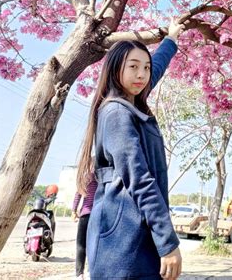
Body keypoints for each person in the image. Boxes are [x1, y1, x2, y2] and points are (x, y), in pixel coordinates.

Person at [76, 18, 185, 280]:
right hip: (123, 242)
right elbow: (139, 179)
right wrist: (168, 242)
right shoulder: (116, 113)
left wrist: (171, 39)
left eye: (145, 68)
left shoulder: (130, 103)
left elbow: (155, 68)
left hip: (134, 233)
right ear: (115, 70)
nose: (141, 74)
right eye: (133, 67)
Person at [72, 165, 97, 280]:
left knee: (81, 245)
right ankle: (92, 271)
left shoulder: (86, 177)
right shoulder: (102, 178)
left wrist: (74, 210)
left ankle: (79, 274)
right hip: (98, 215)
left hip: (85, 214)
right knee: (95, 244)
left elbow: (78, 195)